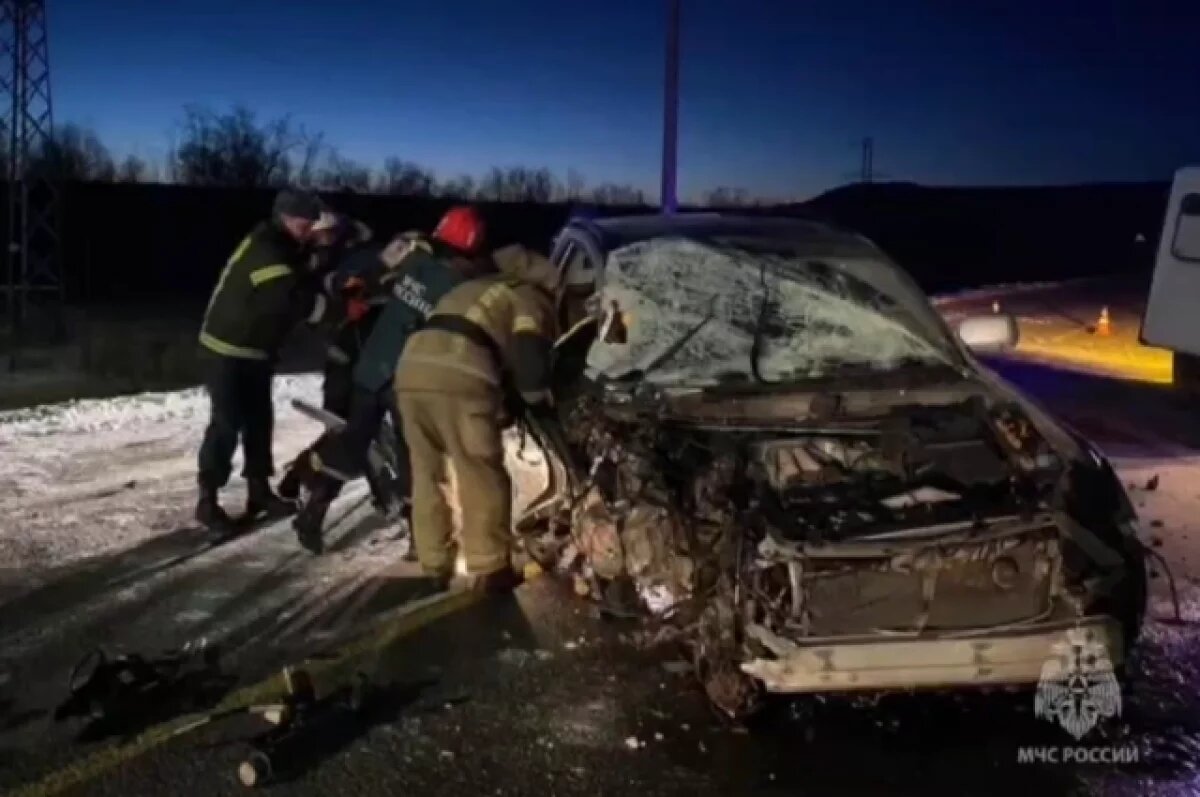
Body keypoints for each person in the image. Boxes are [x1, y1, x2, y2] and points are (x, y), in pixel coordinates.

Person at [293, 205, 493, 554]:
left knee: (352, 442)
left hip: (373, 365)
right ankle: (422, 538)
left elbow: (366, 275)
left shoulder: (412, 257)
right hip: (408, 374)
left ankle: (313, 512)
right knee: (414, 454)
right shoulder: (465, 286)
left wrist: (354, 287)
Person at [394, 241, 561, 594]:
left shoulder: (472, 288)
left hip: (410, 372)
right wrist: (540, 403)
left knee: (427, 471)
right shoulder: (528, 297)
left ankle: (434, 563)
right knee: (478, 469)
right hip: (459, 373)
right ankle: (491, 565)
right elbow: (529, 358)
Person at [194, 188, 328, 534]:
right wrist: (330, 308)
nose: (311, 228)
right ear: (287, 218)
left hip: (254, 349)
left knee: (259, 421)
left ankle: (259, 492)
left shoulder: (281, 242)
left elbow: (299, 276)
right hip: (226, 348)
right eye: (306, 222)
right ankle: (207, 500)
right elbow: (290, 301)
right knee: (227, 422)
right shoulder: (268, 250)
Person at [277, 212, 380, 502]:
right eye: (317, 238)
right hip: (342, 357)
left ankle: (302, 478)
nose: (321, 243)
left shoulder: (364, 254)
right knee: (344, 430)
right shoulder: (312, 265)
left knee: (355, 431)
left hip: (370, 353)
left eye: (326, 237)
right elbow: (317, 301)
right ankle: (304, 478)